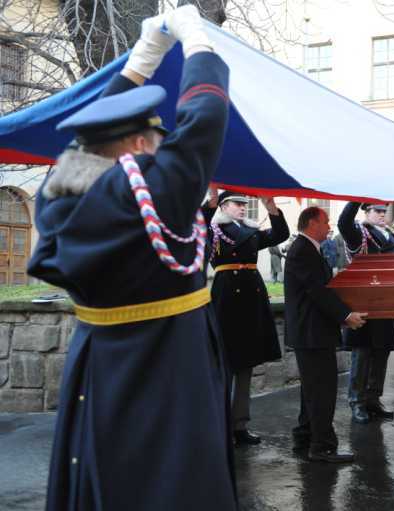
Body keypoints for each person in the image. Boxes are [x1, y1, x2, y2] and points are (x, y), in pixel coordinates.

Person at [27, 7, 238, 509]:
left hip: (99, 360)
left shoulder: (57, 196)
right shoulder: (155, 191)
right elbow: (205, 117)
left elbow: (89, 143)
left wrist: (140, 63)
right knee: (169, 477)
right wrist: (195, 41)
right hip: (166, 364)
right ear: (142, 144)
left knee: (103, 467)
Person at [204, 189, 289, 446]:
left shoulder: (251, 231)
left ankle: (239, 424)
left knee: (246, 366)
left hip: (251, 298)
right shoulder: (213, 229)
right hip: (227, 297)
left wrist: (272, 209)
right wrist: (210, 203)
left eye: (244, 204)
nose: (242, 208)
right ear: (223, 206)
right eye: (236, 204)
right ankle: (220, 426)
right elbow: (197, 224)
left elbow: (279, 235)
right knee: (225, 366)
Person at [284, 207, 367, 463]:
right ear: (311, 223)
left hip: (312, 332)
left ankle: (305, 437)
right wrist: (345, 316)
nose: (329, 225)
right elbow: (317, 290)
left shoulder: (309, 249)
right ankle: (322, 447)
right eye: (325, 221)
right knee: (322, 390)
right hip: (312, 333)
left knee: (312, 389)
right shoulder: (302, 250)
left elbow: (322, 287)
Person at [338, 202, 394, 424]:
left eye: (384, 211)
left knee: (381, 351)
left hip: (385, 301)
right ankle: (357, 401)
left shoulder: (391, 236)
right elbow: (343, 222)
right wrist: (355, 198)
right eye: (377, 211)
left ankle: (373, 399)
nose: (382, 215)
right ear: (366, 212)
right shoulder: (359, 233)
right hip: (363, 300)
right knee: (362, 353)